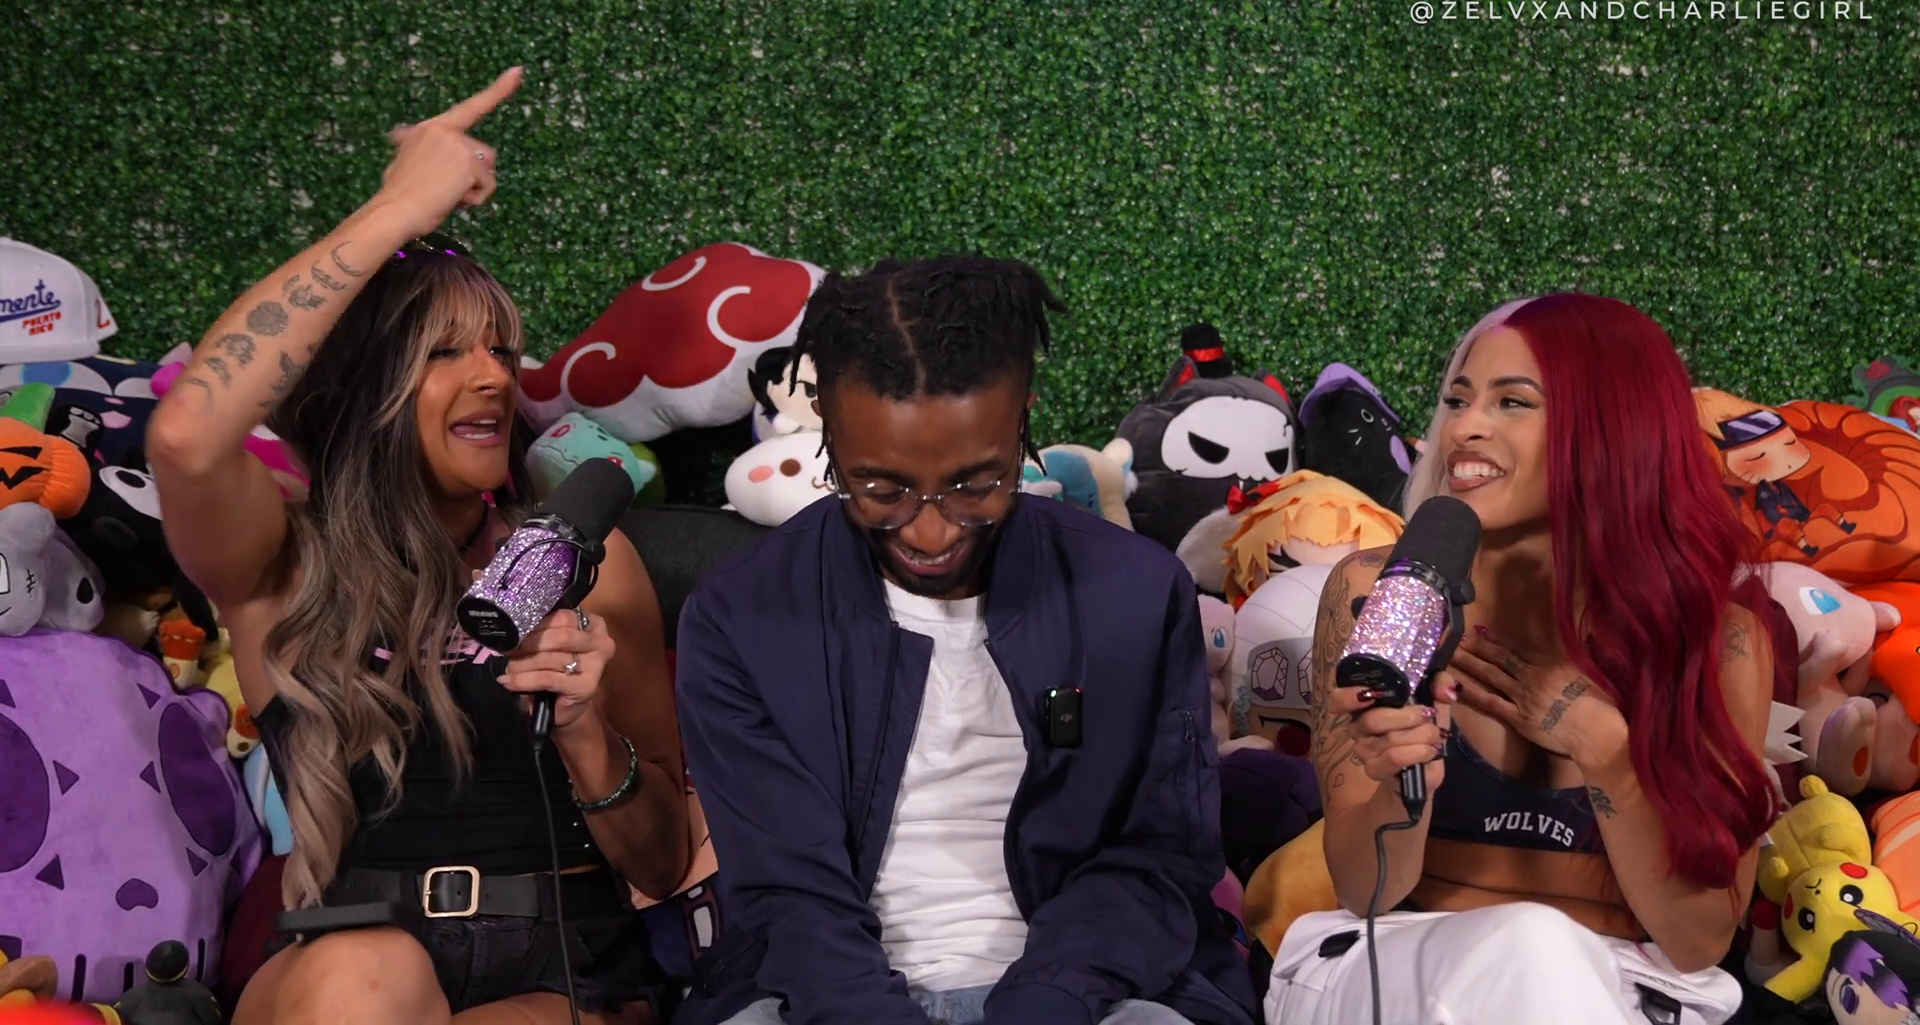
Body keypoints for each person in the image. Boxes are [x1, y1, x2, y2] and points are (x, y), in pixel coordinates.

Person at [147, 68, 690, 1025]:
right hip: (351, 961)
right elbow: (189, 436)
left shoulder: (585, 567)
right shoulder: (285, 564)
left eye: (500, 349)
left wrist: (584, 731)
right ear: (365, 384)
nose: (492, 377)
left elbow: (663, 860)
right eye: (442, 353)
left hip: (568, 967)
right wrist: (400, 209)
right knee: (367, 979)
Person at [670, 258, 1259, 1025]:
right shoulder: (741, 615)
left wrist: (1046, 1003)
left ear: (1021, 423)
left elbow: (1157, 855)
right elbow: (788, 893)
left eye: (975, 484)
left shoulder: (1135, 593)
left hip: (1095, 992)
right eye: (881, 489)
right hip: (819, 999)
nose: (930, 530)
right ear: (827, 428)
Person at [1264, 293, 1783, 1025]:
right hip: (1399, 964)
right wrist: (1403, 790)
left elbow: (1698, 940)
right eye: (1458, 400)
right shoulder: (1377, 592)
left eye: (1513, 402)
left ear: (1614, 430)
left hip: (1623, 989)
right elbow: (1364, 889)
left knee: (1543, 951)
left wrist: (1604, 751)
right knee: (1532, 944)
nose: (1463, 428)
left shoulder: (1717, 641)